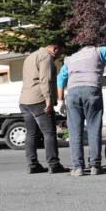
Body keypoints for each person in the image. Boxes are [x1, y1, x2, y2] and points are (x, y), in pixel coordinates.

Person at [57, 24, 106, 177]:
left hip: (73, 92)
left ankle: (78, 167)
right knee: (94, 129)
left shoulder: (70, 59)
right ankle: (95, 166)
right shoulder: (99, 52)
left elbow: (60, 79)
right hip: (91, 90)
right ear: (93, 45)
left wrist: (60, 100)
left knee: (75, 132)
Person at [20, 40, 68, 175]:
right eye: (60, 52)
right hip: (39, 99)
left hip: (25, 100)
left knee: (31, 134)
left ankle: (32, 165)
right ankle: (54, 164)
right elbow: (45, 79)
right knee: (49, 132)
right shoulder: (46, 57)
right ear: (55, 48)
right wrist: (48, 100)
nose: (59, 56)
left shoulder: (31, 56)